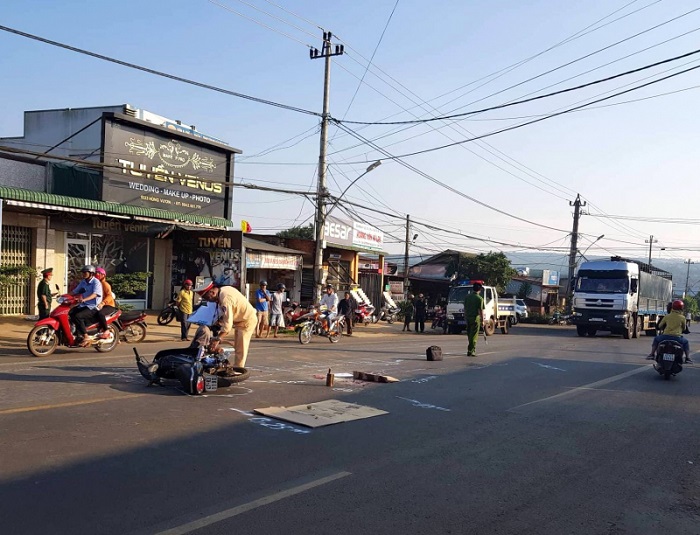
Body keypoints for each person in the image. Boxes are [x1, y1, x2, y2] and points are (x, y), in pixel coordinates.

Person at [190, 282, 258, 368]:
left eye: (207, 298)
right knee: (238, 347)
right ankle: (237, 367)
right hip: (239, 320)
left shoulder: (225, 299)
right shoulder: (223, 291)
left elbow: (228, 325)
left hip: (247, 320)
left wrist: (217, 339)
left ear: (212, 292)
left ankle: (239, 369)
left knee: (241, 349)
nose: (208, 300)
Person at [69, 265, 103, 346]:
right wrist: (64, 296)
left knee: (78, 316)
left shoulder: (96, 282)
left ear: (91, 273)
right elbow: (75, 291)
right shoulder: (83, 282)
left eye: (85, 272)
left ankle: (86, 336)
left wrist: (84, 299)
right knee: (70, 313)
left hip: (93, 306)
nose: (83, 274)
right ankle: (77, 334)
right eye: (83, 272)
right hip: (84, 305)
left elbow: (95, 294)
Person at [94, 267, 117, 339]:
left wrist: (103, 303)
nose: (96, 274)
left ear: (103, 275)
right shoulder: (96, 284)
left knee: (100, 314)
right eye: (95, 273)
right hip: (99, 305)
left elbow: (109, 296)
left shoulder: (105, 284)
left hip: (108, 305)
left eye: (98, 273)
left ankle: (106, 330)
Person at [464, 282, 485, 357]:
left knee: (469, 334)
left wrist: (465, 317)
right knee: (474, 335)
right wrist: (482, 320)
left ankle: (470, 349)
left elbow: (465, 308)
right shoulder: (479, 298)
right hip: (475, 318)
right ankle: (471, 351)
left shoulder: (467, 297)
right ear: (480, 290)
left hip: (468, 318)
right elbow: (480, 310)